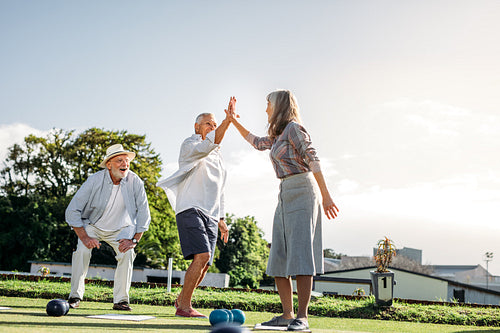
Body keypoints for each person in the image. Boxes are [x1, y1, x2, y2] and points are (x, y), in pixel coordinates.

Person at [228, 90, 339, 331]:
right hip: (285, 191)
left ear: (279, 105)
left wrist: (327, 197)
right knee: (278, 255)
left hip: (303, 189)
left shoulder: (294, 129)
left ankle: (302, 317)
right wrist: (232, 119)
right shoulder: (277, 134)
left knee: (301, 253)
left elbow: (313, 160)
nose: (265, 108)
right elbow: (257, 143)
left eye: (268, 103)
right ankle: (287, 314)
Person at [157, 99, 234, 318]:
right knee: (202, 255)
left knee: (206, 263)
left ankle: (181, 300)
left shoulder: (219, 157)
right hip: (190, 208)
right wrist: (228, 122)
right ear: (197, 127)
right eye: (209, 123)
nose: (212, 127)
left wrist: (221, 218)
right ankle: (184, 307)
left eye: (215, 124)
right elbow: (207, 145)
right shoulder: (190, 145)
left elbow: (220, 189)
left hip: (210, 213)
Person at [65, 144, 151, 311]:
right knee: (82, 251)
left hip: (121, 229)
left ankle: (121, 300)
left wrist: (134, 240)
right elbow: (72, 210)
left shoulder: (135, 182)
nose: (124, 164)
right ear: (109, 165)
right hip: (93, 226)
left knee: (128, 254)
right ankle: (75, 296)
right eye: (119, 160)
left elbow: (144, 213)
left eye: (127, 161)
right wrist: (85, 237)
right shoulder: (94, 180)